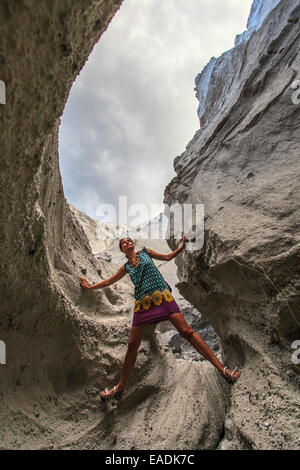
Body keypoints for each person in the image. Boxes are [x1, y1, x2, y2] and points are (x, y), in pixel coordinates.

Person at [80, 235, 240, 401]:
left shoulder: (145, 253)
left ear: (133, 244)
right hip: (143, 304)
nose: (127, 243)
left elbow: (167, 257)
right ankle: (120, 388)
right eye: (123, 243)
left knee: (187, 332)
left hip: (163, 297)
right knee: (132, 345)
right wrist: (89, 287)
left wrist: (182, 247)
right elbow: (108, 282)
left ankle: (222, 369)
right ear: (122, 250)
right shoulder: (126, 267)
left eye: (129, 241)